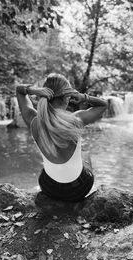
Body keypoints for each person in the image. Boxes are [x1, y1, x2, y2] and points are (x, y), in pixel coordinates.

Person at [16, 73, 107, 202]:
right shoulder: (76, 119)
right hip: (79, 189)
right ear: (67, 98)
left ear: (44, 93)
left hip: (49, 188)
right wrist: (83, 97)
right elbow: (103, 105)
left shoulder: (34, 121)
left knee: (49, 164)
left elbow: (19, 91)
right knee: (85, 154)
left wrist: (32, 90)